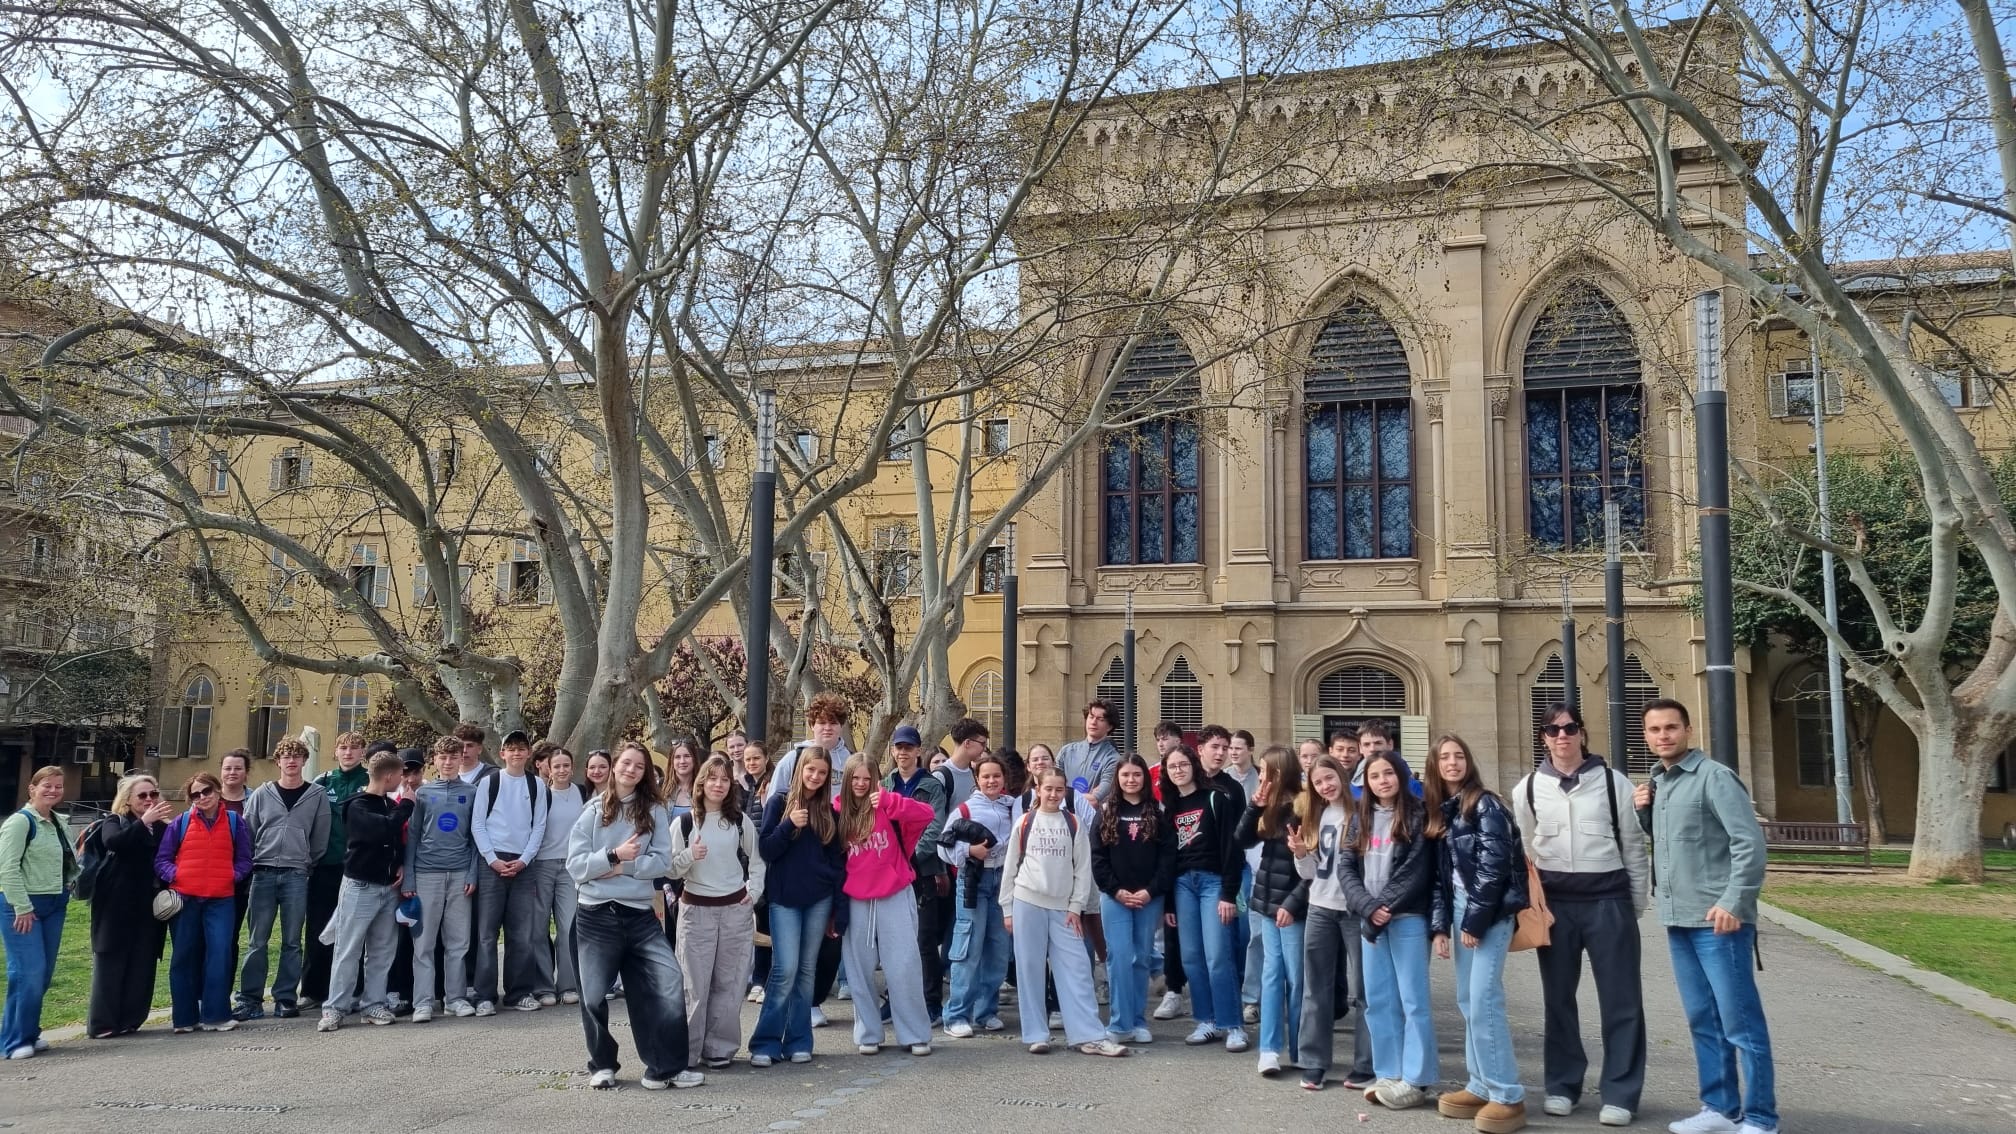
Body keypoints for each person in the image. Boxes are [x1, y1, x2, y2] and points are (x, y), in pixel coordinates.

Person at [1633, 700, 1775, 1134]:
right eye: (1655, 729)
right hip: (1679, 919)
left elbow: (1749, 843)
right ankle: (1720, 1108)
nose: (1663, 736)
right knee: (1703, 1020)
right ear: (1646, 736)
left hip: (1719, 921)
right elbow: (1672, 842)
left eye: (1671, 727)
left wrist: (1734, 901)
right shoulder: (1659, 782)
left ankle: (1761, 1117)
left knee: (1741, 1024)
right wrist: (1643, 812)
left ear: (1688, 730)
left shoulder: (1715, 777)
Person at [1512, 702, 1649, 1127]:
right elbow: (1526, 850)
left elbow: (1633, 845)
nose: (1562, 736)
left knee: (1621, 1000)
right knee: (1558, 999)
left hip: (1608, 900)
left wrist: (1634, 903)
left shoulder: (1613, 782)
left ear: (1582, 733)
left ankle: (1621, 1093)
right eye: (1553, 730)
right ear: (1543, 737)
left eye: (1570, 728)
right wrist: (1533, 905)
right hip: (1556, 907)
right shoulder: (1528, 788)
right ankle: (1562, 1085)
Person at [566, 743, 703, 1089]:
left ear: (645, 774)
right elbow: (576, 867)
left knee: (669, 982)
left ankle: (665, 1067)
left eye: (638, 766)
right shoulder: (593, 811)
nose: (631, 770)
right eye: (626, 763)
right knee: (593, 995)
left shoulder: (655, 811)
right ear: (614, 766)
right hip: (596, 916)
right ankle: (602, 1064)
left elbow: (662, 863)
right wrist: (614, 855)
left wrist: (619, 866)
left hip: (639, 915)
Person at [1428, 735, 1530, 1134]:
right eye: (1444, 757)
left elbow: (1495, 866)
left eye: (1459, 756)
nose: (1452, 763)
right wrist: (1441, 926)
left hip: (1488, 912)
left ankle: (1507, 1094)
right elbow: (1441, 878)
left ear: (1469, 762)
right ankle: (1480, 1084)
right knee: (1468, 999)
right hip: (1460, 908)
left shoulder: (1485, 803)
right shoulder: (1444, 809)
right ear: (1435, 766)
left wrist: (1474, 921)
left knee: (1485, 1000)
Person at [999, 768, 1130, 1058]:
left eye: (1059, 790)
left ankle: (1089, 1035)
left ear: (1065, 791)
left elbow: (1083, 870)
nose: (1053, 794)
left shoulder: (1074, 823)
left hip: (1063, 908)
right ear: (1038, 789)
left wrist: (1075, 907)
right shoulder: (1025, 821)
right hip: (1027, 902)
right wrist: (1007, 909)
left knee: (1078, 970)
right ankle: (1037, 1035)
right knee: (1030, 970)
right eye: (1048, 789)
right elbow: (1010, 869)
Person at [1338, 749, 1438, 1110]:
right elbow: (1346, 867)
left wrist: (1384, 907)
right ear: (1366, 782)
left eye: (1388, 774)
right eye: (1375, 775)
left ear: (1401, 776)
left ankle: (1416, 1079)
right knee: (1379, 1000)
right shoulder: (1358, 817)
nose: (1382, 781)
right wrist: (1368, 907)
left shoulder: (1417, 815)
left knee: (1413, 1000)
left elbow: (1416, 870)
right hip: (1370, 920)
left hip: (1407, 917)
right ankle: (1389, 1073)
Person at [749, 746, 847, 1067]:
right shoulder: (778, 803)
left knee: (806, 971)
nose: (815, 777)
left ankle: (799, 1039)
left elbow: (837, 864)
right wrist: (788, 825)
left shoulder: (829, 813)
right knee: (784, 969)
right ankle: (765, 1042)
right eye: (810, 770)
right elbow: (766, 849)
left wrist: (838, 910)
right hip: (784, 900)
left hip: (819, 900)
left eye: (822, 772)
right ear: (799, 769)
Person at [834, 751, 935, 1056]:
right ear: (847, 780)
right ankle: (868, 1033)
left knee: (904, 965)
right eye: (856, 778)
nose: (861, 784)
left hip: (895, 892)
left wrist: (891, 801)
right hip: (856, 899)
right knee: (858, 969)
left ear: (876, 780)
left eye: (867, 778)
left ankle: (915, 1033)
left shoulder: (889, 806)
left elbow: (926, 814)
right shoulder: (837, 810)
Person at [668, 755, 766, 1069]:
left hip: (735, 910)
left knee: (730, 983)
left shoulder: (739, 821)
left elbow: (758, 860)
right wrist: (689, 855)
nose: (718, 785)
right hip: (696, 911)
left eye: (725, 779)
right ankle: (687, 1052)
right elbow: (670, 869)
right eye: (712, 778)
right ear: (702, 782)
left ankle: (719, 1049)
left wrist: (753, 892)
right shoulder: (685, 823)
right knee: (694, 985)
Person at [234, 737, 330, 1021]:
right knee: (257, 940)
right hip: (262, 872)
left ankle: (285, 998)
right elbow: (248, 833)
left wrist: (305, 861)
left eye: (297, 756)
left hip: (296, 875)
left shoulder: (316, 795)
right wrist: (254, 862)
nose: (291, 761)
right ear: (278, 762)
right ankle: (250, 999)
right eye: (286, 757)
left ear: (304, 761)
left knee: (292, 941)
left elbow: (320, 837)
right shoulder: (262, 794)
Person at [319, 751, 413, 1031]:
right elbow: (381, 830)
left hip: (388, 887)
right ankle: (335, 1008)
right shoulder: (356, 805)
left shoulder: (389, 804)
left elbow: (396, 839)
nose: (403, 781)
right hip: (360, 886)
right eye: (400, 775)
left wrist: (399, 862)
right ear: (388, 776)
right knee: (348, 950)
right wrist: (407, 805)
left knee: (382, 951)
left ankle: (373, 1003)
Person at [1160, 743, 1245, 1051]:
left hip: (1213, 883)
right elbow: (1167, 859)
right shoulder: (1170, 808)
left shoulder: (1215, 799)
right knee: (1191, 957)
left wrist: (1228, 894)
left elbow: (1232, 850)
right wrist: (1168, 903)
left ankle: (1232, 1024)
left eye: (1183, 764)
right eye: (1172, 767)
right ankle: (1206, 1021)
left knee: (1218, 956)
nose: (1178, 771)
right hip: (1182, 885)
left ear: (1194, 765)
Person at [155, 772, 253, 1034]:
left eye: (206, 791)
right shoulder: (181, 822)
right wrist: (177, 875)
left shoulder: (235, 821)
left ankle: (215, 1016)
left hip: (221, 900)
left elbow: (245, 859)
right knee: (183, 957)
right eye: (195, 794)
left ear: (218, 790)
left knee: (219, 955)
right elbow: (162, 859)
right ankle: (184, 1019)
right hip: (185, 899)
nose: (202, 797)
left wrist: (232, 876)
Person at [1233, 744, 1309, 1077]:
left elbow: (1314, 866)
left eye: (1265, 770)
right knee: (1272, 975)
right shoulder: (1269, 804)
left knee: (1297, 978)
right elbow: (1242, 840)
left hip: (1293, 905)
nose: (1260, 775)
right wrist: (1254, 806)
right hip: (1266, 900)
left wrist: (1292, 904)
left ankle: (1300, 1048)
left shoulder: (1305, 805)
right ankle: (1269, 1049)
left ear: (1279, 773)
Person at [1091, 753, 1174, 1046]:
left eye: (1136, 775)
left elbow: (1167, 859)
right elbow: (1098, 857)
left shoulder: (1158, 812)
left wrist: (1151, 890)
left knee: (1141, 958)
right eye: (1125, 775)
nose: (1131, 780)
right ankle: (1120, 1022)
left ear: (1145, 778)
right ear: (1117, 778)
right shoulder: (1106, 811)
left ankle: (1138, 1021)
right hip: (1115, 898)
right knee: (1119, 957)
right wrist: (1116, 890)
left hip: (1148, 898)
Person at [471, 729, 552, 1015]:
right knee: (486, 934)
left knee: (521, 934)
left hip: (523, 865)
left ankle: (518, 992)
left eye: (521, 748)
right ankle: (484, 995)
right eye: (511, 749)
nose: (516, 753)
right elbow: (478, 824)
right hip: (491, 863)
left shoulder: (536, 785)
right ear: (502, 753)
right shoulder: (489, 782)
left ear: (528, 753)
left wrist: (525, 860)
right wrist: (492, 859)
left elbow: (539, 825)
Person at [86, 774, 173, 1038]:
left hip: (149, 904)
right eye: (142, 795)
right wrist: (144, 822)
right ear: (127, 800)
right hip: (116, 904)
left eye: (153, 794)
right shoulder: (115, 821)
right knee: (111, 960)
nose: (149, 800)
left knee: (142, 961)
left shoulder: (163, 828)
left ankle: (131, 1019)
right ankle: (103, 1023)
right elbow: (114, 843)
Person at [937, 752, 1015, 1039]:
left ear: (1004, 779)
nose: (991, 781)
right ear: (977, 779)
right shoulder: (965, 810)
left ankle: (986, 1011)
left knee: (998, 949)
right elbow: (943, 846)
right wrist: (969, 851)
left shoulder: (1012, 807)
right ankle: (957, 1014)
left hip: (1003, 882)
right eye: (986, 776)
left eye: (996, 776)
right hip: (973, 881)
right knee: (968, 947)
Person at [2, 766, 78, 1058]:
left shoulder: (59, 822)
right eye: (47, 785)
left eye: (58, 786)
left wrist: (70, 882)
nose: (53, 791)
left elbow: (66, 859)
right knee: (28, 972)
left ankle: (28, 1032)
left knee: (43, 973)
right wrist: (21, 907)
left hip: (54, 903)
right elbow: (7, 868)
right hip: (22, 906)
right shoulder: (20, 822)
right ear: (32, 788)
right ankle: (14, 1041)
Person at [404, 734, 480, 1022]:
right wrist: (409, 877)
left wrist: (472, 872)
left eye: (453, 757)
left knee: (458, 942)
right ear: (434, 760)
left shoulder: (472, 792)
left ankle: (455, 998)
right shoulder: (423, 794)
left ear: (462, 758)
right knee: (424, 943)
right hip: (427, 873)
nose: (448, 762)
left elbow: (476, 836)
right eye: (443, 757)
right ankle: (423, 1002)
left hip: (460, 873)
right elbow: (412, 837)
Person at [1291, 753, 1355, 1091]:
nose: (1325, 786)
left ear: (1341, 776)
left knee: (1365, 990)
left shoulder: (1360, 812)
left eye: (1329, 778)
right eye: (1317, 782)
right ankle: (1314, 1062)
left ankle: (1366, 1063)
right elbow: (1310, 873)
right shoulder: (1316, 816)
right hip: (1320, 905)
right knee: (1315, 987)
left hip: (1355, 908)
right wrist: (1301, 853)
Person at [882, 724, 951, 1024]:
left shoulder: (932, 786)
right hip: (891, 874)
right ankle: (894, 1000)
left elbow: (935, 826)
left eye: (908, 748)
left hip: (922, 872)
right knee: (894, 940)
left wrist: (909, 857)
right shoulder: (885, 784)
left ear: (918, 751)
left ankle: (931, 1002)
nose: (903, 753)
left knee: (924, 940)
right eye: (899, 747)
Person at [303, 732, 371, 1008]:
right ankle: (312, 990)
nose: (348, 752)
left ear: (363, 752)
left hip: (358, 867)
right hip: (326, 866)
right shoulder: (323, 782)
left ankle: (355, 990)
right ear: (335, 751)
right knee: (318, 928)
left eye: (354, 748)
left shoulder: (370, 780)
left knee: (356, 931)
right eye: (343, 748)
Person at [530, 743, 586, 1008]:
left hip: (570, 868)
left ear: (572, 768)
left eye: (566, 765)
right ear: (548, 769)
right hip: (541, 865)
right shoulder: (541, 794)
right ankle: (543, 986)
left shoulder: (581, 793)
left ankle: (568, 984)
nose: (562, 770)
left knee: (567, 927)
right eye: (557, 766)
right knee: (538, 927)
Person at [218, 749, 251, 957]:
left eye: (238, 768)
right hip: (209, 876)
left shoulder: (256, 799)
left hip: (239, 878)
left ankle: (225, 976)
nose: (232, 772)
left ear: (246, 772)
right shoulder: (207, 797)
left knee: (230, 935)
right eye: (227, 768)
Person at [1056, 700, 1121, 803]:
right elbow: (1053, 784)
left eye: (1100, 719)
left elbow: (1096, 797)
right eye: (1091, 717)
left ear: (1109, 726)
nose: (1093, 722)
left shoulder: (1113, 759)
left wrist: (1066, 797)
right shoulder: (1066, 751)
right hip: (1063, 811)